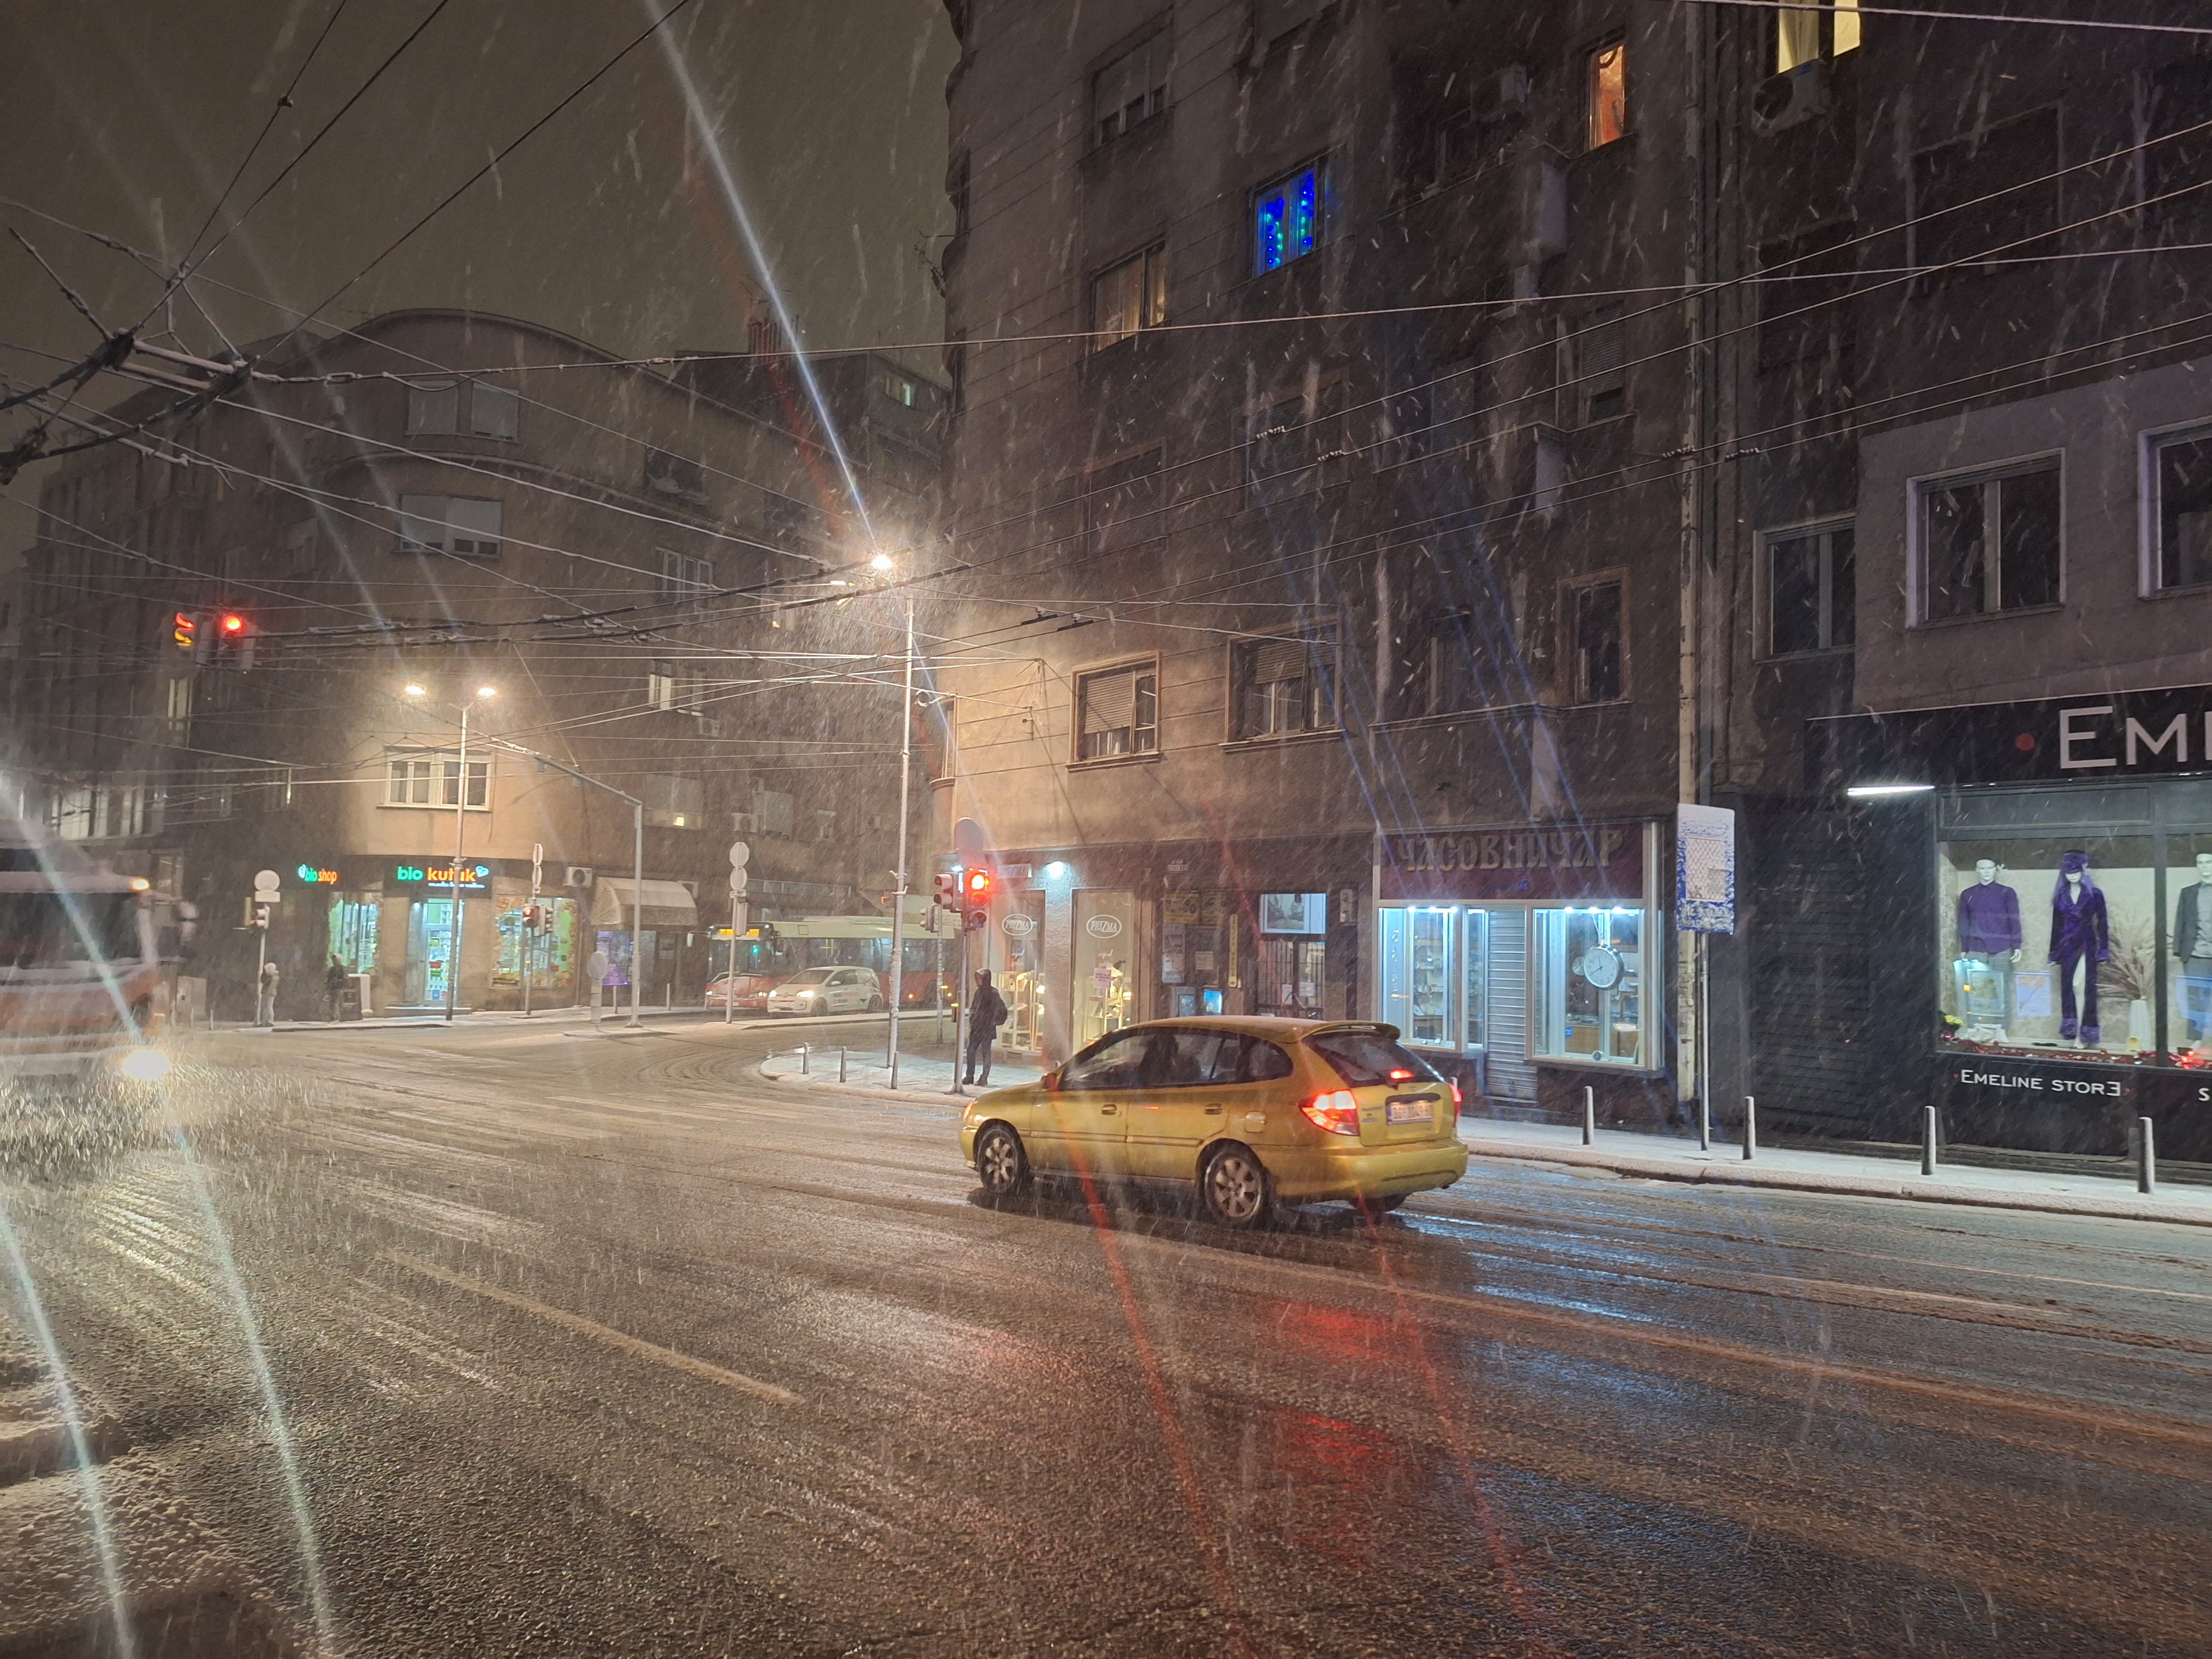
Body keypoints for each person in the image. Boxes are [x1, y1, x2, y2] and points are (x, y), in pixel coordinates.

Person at [964, 968, 1008, 1087]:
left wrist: (991, 1021)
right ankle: (970, 1075)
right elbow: (974, 1008)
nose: (978, 981)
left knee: (985, 1053)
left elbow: (998, 1009)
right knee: (971, 1051)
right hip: (977, 1027)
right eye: (977, 978)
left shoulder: (993, 993)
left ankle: (984, 1077)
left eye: (980, 978)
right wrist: (973, 1019)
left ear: (986, 979)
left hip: (986, 1028)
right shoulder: (978, 993)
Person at [584, 946, 611, 1025]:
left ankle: (596, 1019)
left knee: (596, 1000)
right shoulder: (599, 962)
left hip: (597, 981)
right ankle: (595, 1019)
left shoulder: (595, 963)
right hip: (597, 981)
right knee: (596, 1000)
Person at [323, 955, 351, 1023]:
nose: (334, 961)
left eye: (335, 960)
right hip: (332, 988)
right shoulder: (332, 969)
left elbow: (345, 979)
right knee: (332, 1003)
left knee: (336, 1002)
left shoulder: (343, 969)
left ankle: (336, 1017)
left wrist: (338, 981)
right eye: (333, 960)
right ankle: (334, 1016)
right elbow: (328, 978)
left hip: (339, 988)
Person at [256, 960, 280, 1027]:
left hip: (269, 993)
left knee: (268, 1007)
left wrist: (266, 993)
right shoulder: (272, 976)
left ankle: (270, 1021)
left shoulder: (274, 976)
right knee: (266, 1008)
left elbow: (268, 984)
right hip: (268, 993)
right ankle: (265, 1022)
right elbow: (263, 980)